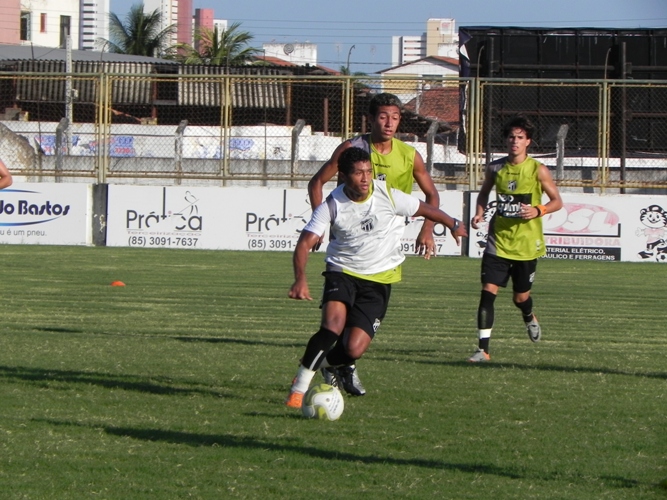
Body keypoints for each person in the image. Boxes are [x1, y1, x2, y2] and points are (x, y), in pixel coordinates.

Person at [285, 147, 467, 408]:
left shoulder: (388, 196)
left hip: (380, 278)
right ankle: (298, 390)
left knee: (353, 349)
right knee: (333, 326)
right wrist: (300, 278)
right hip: (342, 271)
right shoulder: (332, 205)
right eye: (358, 173)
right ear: (344, 175)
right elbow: (304, 244)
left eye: (369, 172)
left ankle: (316, 364)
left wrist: (453, 224)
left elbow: (426, 208)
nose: (365, 178)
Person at [307, 92, 441, 395]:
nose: (390, 122)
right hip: (351, 244)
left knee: (356, 334)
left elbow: (431, 197)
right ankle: (333, 366)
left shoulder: (409, 155)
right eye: (383, 116)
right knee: (336, 320)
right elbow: (317, 182)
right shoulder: (353, 148)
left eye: (395, 117)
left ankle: (342, 362)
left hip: (383, 248)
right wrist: (322, 223)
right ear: (371, 118)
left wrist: (427, 230)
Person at [468, 115, 563, 362]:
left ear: (528, 142)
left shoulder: (537, 170)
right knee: (487, 292)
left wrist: (538, 210)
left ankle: (529, 315)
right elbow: (483, 194)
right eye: (511, 137)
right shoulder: (495, 167)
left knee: (520, 297)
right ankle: (483, 350)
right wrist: (479, 213)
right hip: (498, 241)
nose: (515, 141)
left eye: (520, 137)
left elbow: (557, 201)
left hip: (526, 245)